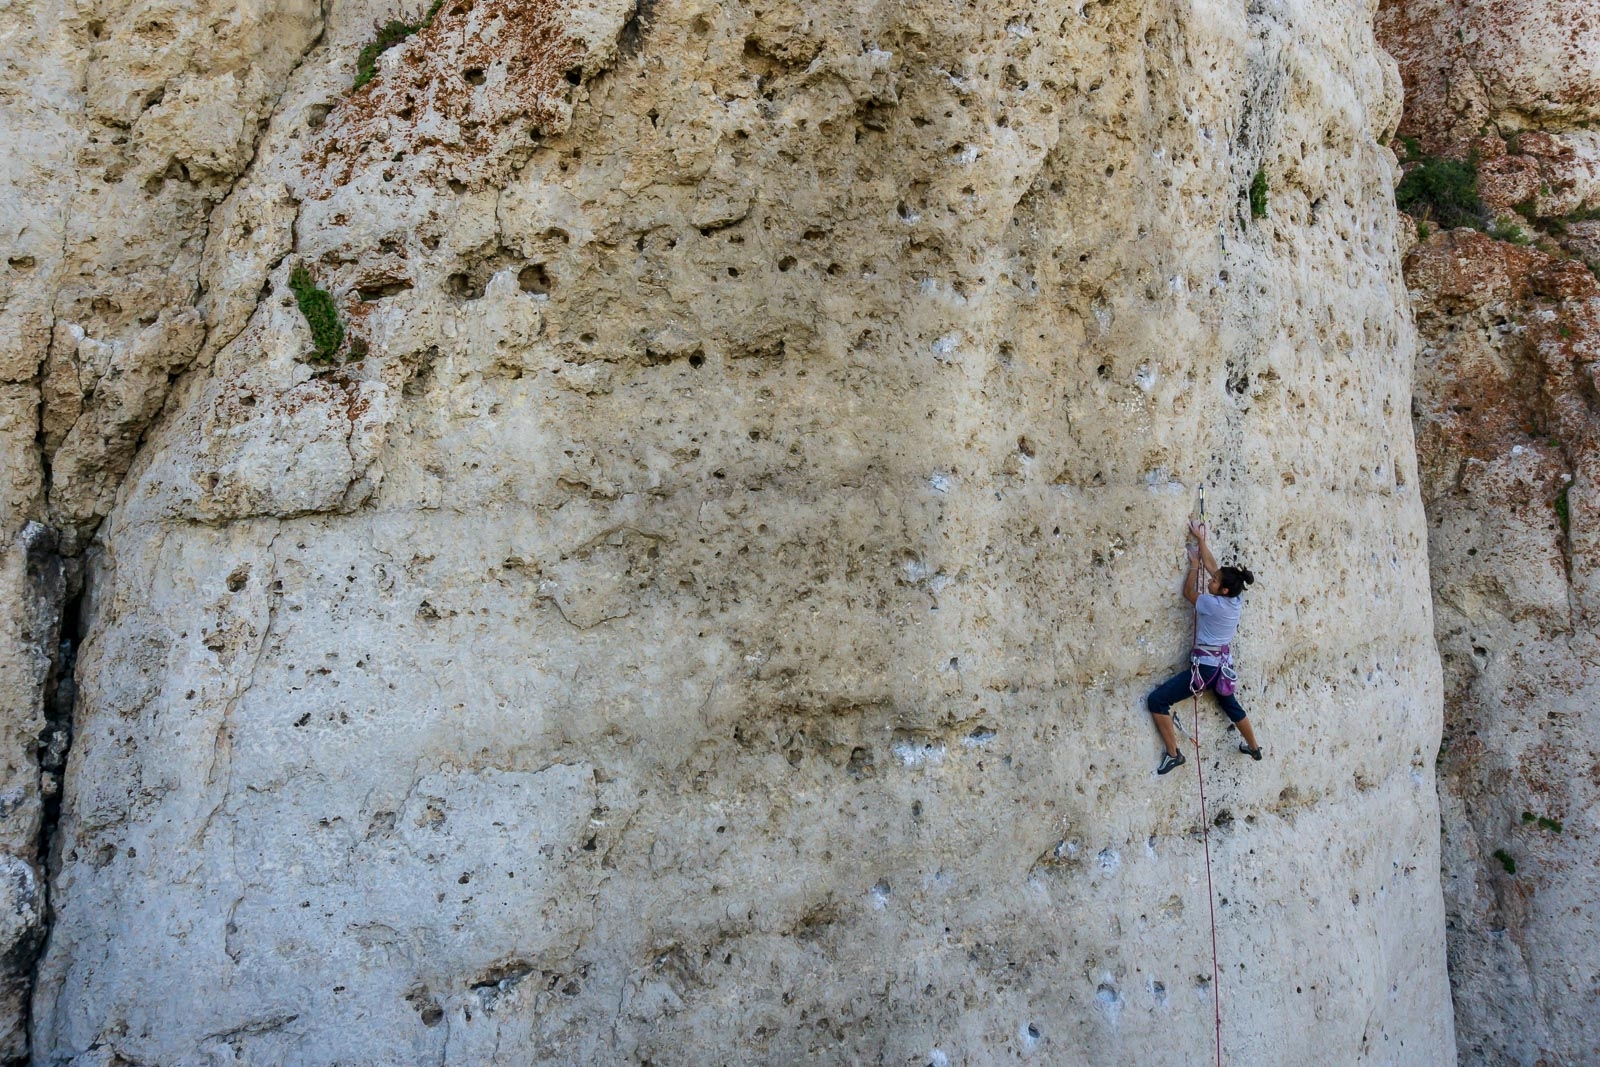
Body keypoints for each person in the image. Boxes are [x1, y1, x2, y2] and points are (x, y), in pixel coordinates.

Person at [1146, 518, 1260, 774]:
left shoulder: (1213, 604)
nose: (1211, 579)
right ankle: (1254, 746)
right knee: (1231, 706)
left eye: (1215, 581)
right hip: (1221, 667)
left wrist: (1194, 567)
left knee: (1157, 700)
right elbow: (1215, 567)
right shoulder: (1234, 600)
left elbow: (1189, 593)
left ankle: (1173, 754)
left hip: (1206, 670)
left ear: (1224, 590)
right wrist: (1200, 539)